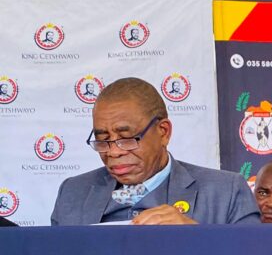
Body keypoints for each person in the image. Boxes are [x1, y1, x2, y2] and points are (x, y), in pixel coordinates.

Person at [51, 77, 258, 226]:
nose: (113, 152)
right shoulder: (73, 192)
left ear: (163, 132)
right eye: (103, 140)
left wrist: (197, 237)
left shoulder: (226, 192)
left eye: (126, 139)